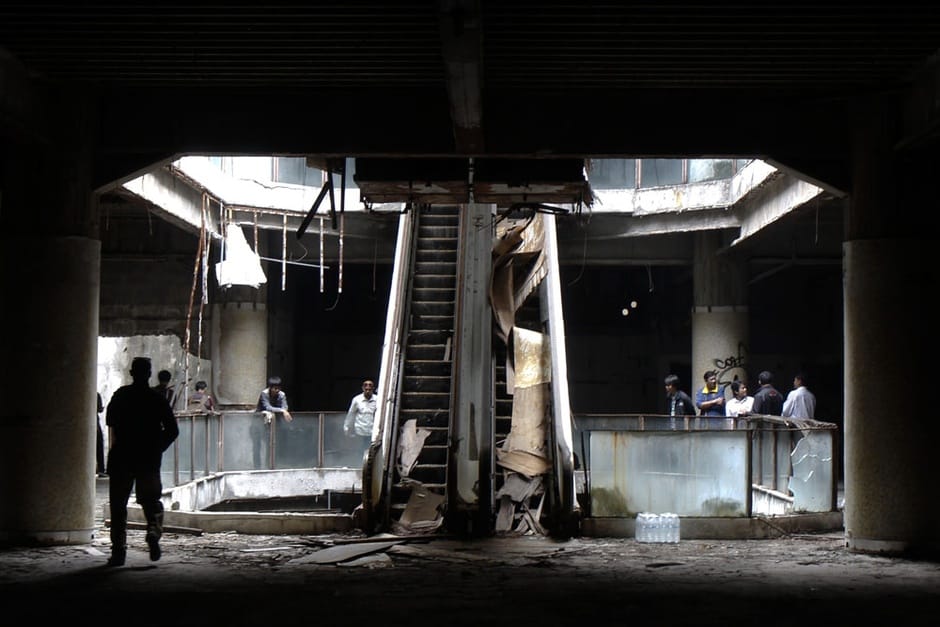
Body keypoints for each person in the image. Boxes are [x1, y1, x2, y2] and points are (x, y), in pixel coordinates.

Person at [105, 356, 179, 567]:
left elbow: (110, 420)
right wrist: (157, 447)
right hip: (148, 458)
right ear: (149, 374)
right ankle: (154, 531)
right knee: (151, 501)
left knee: (118, 505)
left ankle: (119, 551)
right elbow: (173, 430)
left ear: (131, 373)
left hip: (122, 456)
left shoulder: (121, 395)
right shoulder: (157, 399)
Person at [253, 376, 292, 469]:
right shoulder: (264, 394)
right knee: (257, 446)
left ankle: (270, 465)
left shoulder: (282, 394)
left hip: (273, 423)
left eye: (279, 388)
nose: (277, 390)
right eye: (275, 388)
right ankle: (257, 467)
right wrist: (282, 411)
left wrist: (284, 410)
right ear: (270, 388)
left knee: (272, 444)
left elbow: (285, 406)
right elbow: (268, 407)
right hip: (258, 422)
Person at [344, 379, 378, 454]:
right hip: (360, 431)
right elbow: (351, 414)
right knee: (359, 451)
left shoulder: (377, 399)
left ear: (373, 389)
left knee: (372, 451)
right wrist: (347, 427)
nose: (368, 391)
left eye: (370, 389)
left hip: (372, 430)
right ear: (363, 388)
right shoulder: (357, 400)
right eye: (366, 389)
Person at [95, 392, 107, 477]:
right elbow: (99, 409)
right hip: (95, 421)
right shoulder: (96, 395)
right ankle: (101, 469)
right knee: (99, 445)